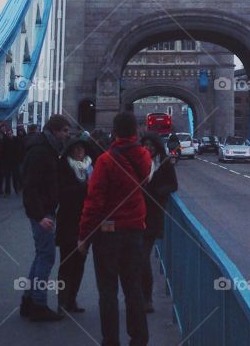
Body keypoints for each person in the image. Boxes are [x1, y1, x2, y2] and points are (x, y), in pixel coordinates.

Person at [78, 111, 152, 346]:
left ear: (115, 131)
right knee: (133, 289)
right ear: (136, 131)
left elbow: (94, 202)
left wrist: (84, 236)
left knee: (108, 292)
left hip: (108, 233)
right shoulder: (144, 156)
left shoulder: (105, 161)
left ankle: (111, 341)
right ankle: (139, 339)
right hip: (135, 231)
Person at [20, 114, 68, 322]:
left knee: (41, 255)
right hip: (42, 213)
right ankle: (38, 304)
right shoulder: (42, 151)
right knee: (47, 256)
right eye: (65, 131)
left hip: (45, 210)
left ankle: (29, 300)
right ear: (56, 131)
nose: (67, 135)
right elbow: (30, 186)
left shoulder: (47, 148)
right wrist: (40, 216)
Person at [55, 138, 99, 314]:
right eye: (76, 149)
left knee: (80, 262)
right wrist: (84, 189)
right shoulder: (64, 167)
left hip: (85, 222)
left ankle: (72, 299)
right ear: (71, 151)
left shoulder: (91, 168)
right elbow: (62, 192)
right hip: (67, 221)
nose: (79, 152)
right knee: (66, 262)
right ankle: (62, 302)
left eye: (82, 149)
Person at [139, 134, 178, 314]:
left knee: (142, 258)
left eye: (151, 145)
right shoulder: (137, 161)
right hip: (134, 215)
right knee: (135, 260)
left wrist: (156, 193)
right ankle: (137, 296)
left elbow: (173, 184)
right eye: (145, 144)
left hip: (152, 215)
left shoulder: (164, 162)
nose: (149, 147)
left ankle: (146, 299)